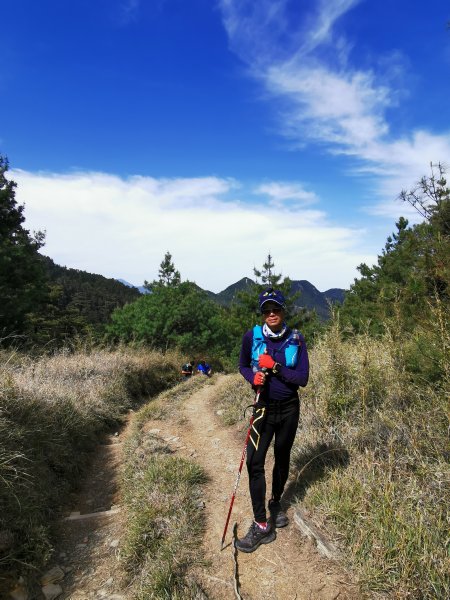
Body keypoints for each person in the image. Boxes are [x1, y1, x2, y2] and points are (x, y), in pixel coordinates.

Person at [235, 288, 309, 553]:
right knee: (255, 462)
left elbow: (302, 379)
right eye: (266, 310)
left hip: (289, 408)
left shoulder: (297, 339)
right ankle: (261, 524)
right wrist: (252, 377)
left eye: (275, 309)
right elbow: (243, 365)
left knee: (282, 457)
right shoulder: (251, 337)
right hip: (263, 408)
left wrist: (275, 366)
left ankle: (276, 502)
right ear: (262, 314)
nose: (271, 314)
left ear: (283, 310)